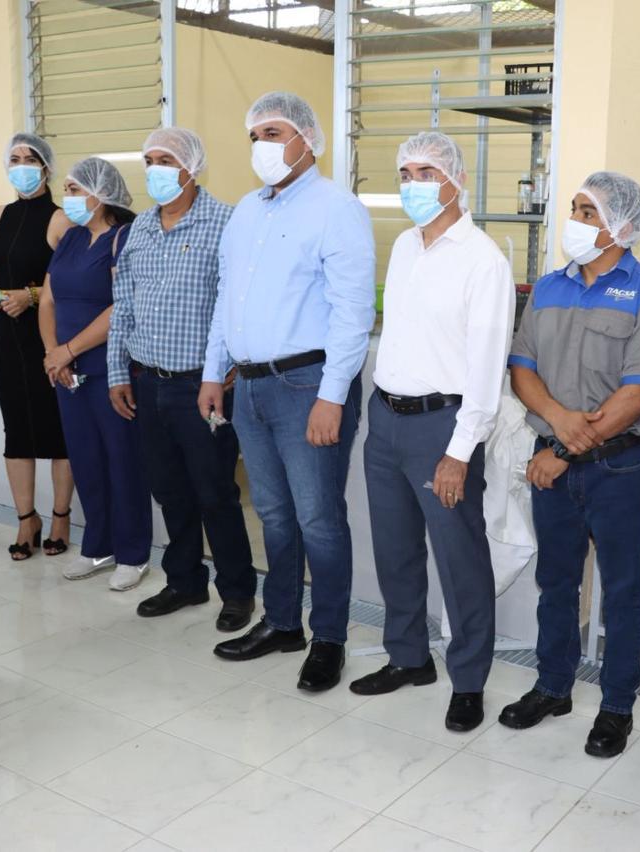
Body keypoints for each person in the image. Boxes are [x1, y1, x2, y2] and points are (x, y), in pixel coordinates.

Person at [501, 172, 640, 758]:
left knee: (623, 591)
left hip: (618, 467)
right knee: (556, 581)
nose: (574, 220)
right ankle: (552, 686)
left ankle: (617, 706)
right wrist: (557, 422)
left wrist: (562, 450)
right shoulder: (549, 289)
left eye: (588, 212)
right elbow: (522, 368)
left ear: (621, 226)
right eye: (575, 208)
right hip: (552, 461)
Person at [205, 92, 375, 693]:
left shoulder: (337, 208)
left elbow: (353, 313)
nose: (261, 146)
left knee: (319, 518)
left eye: (273, 133)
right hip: (249, 386)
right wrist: (213, 371)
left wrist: (333, 396)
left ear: (308, 139)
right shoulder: (247, 211)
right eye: (254, 136)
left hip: (309, 385)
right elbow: (227, 297)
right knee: (274, 514)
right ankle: (282, 623)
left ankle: (328, 637)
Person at [347, 132, 514, 732]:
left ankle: (468, 680)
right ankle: (408, 656)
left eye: (426, 173)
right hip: (387, 419)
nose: (413, 184)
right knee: (394, 550)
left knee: (458, 558)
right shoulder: (404, 246)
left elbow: (486, 370)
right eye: (405, 172)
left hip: (444, 427)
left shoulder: (483, 261)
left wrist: (459, 452)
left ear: (457, 181)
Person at [108, 128, 258, 633]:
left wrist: (226, 364)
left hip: (202, 386)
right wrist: (117, 372)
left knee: (215, 492)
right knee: (169, 489)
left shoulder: (226, 223)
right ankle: (185, 580)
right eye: (149, 160)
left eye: (165, 160)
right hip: (147, 381)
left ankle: (237, 591)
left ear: (191, 168)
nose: (154, 170)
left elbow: (237, 303)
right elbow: (123, 306)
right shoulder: (139, 228)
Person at [38, 157, 152, 591]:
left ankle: (133, 553)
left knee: (122, 460)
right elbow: (48, 300)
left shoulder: (123, 238)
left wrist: (68, 350)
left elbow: (122, 305)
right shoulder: (69, 239)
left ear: (100, 194)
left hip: (110, 367)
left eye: (74, 189)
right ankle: (98, 546)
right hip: (66, 372)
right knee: (85, 458)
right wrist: (53, 354)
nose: (66, 197)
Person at [0, 132, 74, 561]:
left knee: (56, 427)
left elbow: (71, 281)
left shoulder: (60, 219)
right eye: (14, 159)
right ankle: (25, 518)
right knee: (16, 425)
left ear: (46, 168)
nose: (20, 167)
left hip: (48, 334)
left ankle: (60, 517)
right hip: (6, 333)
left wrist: (31, 296)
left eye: (29, 159)